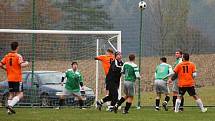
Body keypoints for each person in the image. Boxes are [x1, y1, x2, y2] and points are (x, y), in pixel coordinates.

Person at [0, 42, 29, 114]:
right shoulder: (18, 56)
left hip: (10, 78)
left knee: (11, 94)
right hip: (17, 78)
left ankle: (8, 111)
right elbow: (21, 65)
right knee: (20, 94)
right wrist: (27, 63)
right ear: (17, 47)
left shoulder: (7, 56)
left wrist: (5, 69)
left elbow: (0, 64)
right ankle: (10, 105)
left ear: (11, 47)